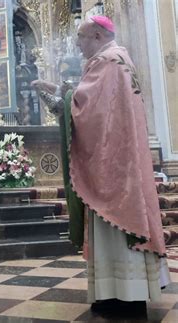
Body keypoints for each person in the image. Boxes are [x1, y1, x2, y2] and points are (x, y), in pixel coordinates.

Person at [32, 16, 170, 313]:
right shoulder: (121, 60)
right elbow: (91, 102)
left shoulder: (107, 62)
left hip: (110, 166)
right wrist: (63, 90)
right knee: (119, 224)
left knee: (114, 224)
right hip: (122, 160)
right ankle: (120, 292)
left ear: (96, 35)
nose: (77, 44)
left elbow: (84, 111)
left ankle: (122, 297)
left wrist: (54, 94)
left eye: (80, 37)